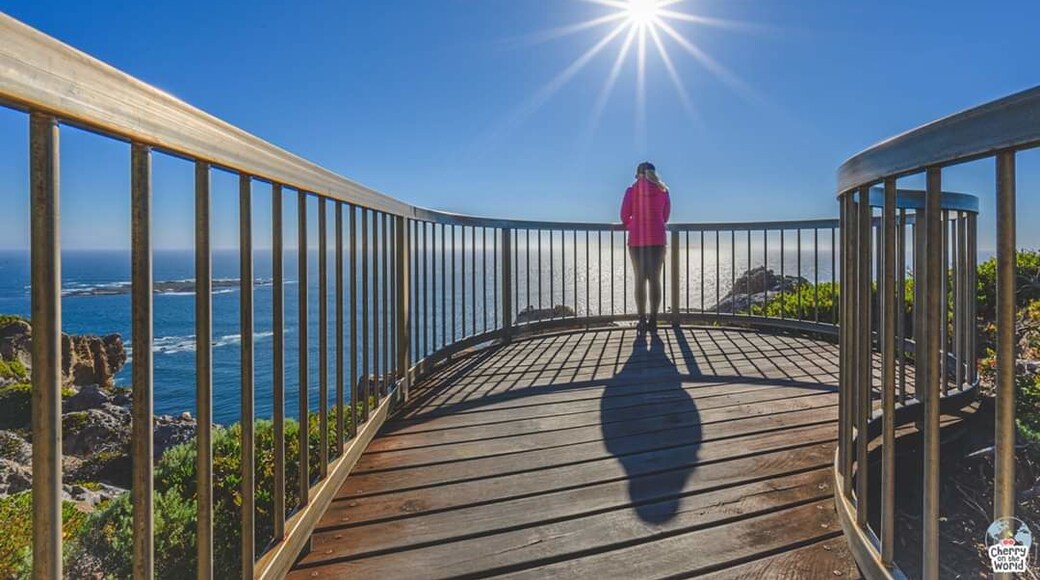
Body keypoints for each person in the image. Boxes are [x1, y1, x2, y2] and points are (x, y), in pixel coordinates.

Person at [620, 161, 671, 333]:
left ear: (639, 175)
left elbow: (624, 216)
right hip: (658, 240)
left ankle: (642, 320)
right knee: (655, 280)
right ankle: (654, 321)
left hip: (636, 242)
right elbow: (666, 216)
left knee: (640, 280)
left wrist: (633, 225)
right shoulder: (664, 191)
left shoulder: (632, 191)